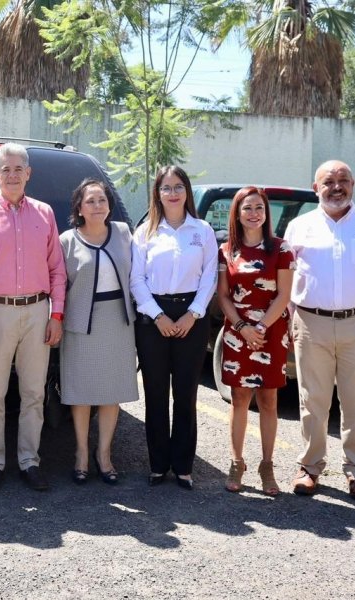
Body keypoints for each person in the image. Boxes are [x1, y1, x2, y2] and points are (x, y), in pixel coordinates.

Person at [284, 160, 355, 501]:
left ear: (354, 184)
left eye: (344, 180)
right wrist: (288, 323)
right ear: (315, 187)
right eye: (329, 181)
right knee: (312, 402)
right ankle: (309, 467)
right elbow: (288, 281)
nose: (337, 187)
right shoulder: (299, 227)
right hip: (310, 323)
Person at [0, 143, 66, 492]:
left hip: (38, 312)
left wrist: (56, 314)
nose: (11, 174)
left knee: (34, 393)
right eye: (5, 169)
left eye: (18, 168)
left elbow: (57, 270)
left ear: (28, 173)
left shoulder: (45, 213)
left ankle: (29, 461)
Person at [130, 165, 217, 490]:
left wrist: (192, 315)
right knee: (155, 394)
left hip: (191, 317)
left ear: (187, 190)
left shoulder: (202, 231)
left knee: (185, 394)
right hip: (154, 318)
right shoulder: (146, 232)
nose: (172, 193)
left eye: (178, 186)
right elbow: (136, 280)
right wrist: (158, 316)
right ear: (158, 193)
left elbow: (210, 276)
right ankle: (158, 465)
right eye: (166, 187)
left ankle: (182, 466)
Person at [216, 186, 294, 496]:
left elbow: (284, 294)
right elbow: (223, 295)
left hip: (271, 331)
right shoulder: (226, 250)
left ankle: (267, 465)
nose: (253, 213)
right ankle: (237, 462)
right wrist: (242, 326)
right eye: (247, 208)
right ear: (237, 213)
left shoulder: (281, 248)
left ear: (266, 212)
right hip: (238, 331)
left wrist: (260, 326)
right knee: (239, 399)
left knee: (268, 400)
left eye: (259, 208)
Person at [59, 179, 138, 486]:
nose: (97, 206)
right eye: (90, 201)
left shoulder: (123, 233)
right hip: (81, 323)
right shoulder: (68, 240)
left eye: (102, 200)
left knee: (111, 392)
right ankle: (81, 453)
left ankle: (104, 455)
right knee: (81, 393)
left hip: (117, 322)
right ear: (79, 207)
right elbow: (58, 284)